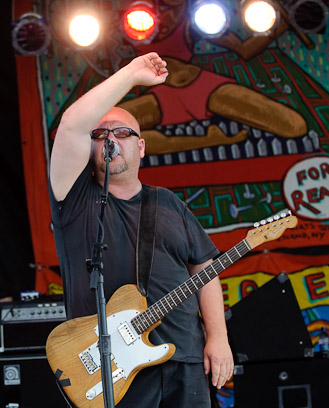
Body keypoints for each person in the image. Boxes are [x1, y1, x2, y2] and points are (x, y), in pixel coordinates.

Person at [49, 52, 234, 407]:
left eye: (122, 132)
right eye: (100, 134)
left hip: (184, 358)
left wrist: (218, 337)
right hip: (111, 369)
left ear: (141, 145)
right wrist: (132, 74)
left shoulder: (169, 204)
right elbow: (72, 124)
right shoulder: (73, 199)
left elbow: (206, 270)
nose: (110, 138)